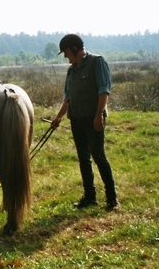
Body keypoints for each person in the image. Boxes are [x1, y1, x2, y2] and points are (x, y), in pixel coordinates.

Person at [50, 34, 119, 210]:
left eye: (66, 52)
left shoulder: (97, 62)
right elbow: (68, 97)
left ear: (74, 49)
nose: (65, 57)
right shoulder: (71, 70)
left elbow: (104, 90)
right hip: (77, 119)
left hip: (93, 119)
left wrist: (99, 114)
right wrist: (58, 117)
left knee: (98, 156)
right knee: (83, 158)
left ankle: (112, 199)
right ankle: (90, 197)